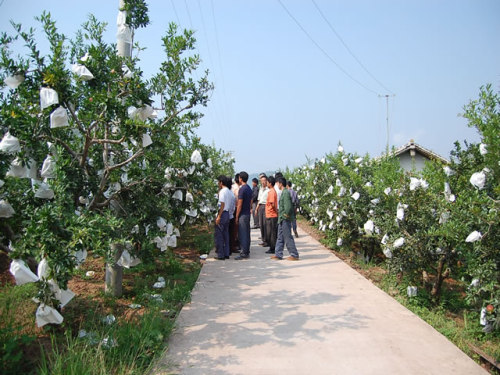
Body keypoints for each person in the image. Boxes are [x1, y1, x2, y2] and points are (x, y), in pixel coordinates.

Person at [271, 177, 299, 261]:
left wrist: (285, 215)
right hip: (281, 218)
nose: (277, 185)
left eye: (277, 183)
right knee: (280, 237)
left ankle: (294, 254)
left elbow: (288, 207)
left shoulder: (286, 193)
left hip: (284, 218)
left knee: (287, 237)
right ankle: (278, 254)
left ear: (280, 183)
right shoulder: (284, 192)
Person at [235, 171, 253, 260]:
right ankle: (246, 251)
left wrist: (237, 216)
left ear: (240, 179)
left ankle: (244, 253)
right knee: (247, 232)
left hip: (243, 214)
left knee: (243, 233)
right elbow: (251, 201)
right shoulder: (249, 188)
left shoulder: (242, 189)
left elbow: (239, 204)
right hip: (247, 213)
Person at [214, 175, 231, 260]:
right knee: (226, 234)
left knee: (219, 234)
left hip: (222, 213)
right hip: (227, 213)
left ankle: (220, 254)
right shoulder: (228, 191)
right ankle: (226, 253)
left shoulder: (222, 192)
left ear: (221, 182)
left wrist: (219, 216)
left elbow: (222, 204)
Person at [264, 175, 278, 254]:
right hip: (270, 214)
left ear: (270, 183)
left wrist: (275, 211)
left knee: (271, 233)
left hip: (272, 215)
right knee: (270, 232)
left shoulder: (272, 192)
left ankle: (273, 248)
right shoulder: (271, 191)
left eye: (267, 182)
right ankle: (272, 247)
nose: (266, 184)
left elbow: (272, 204)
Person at [255, 174, 269, 246]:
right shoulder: (260, 189)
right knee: (261, 224)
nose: (263, 182)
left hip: (266, 206)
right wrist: (256, 209)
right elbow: (259, 199)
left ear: (267, 181)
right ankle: (263, 239)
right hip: (260, 206)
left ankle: (267, 240)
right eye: (262, 181)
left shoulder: (268, 189)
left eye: (264, 181)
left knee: (265, 223)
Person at [229, 173, 240, 253]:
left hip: (231, 209)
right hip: (235, 209)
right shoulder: (237, 188)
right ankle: (233, 246)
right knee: (234, 229)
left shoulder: (232, 187)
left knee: (231, 229)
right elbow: (239, 201)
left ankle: (231, 245)